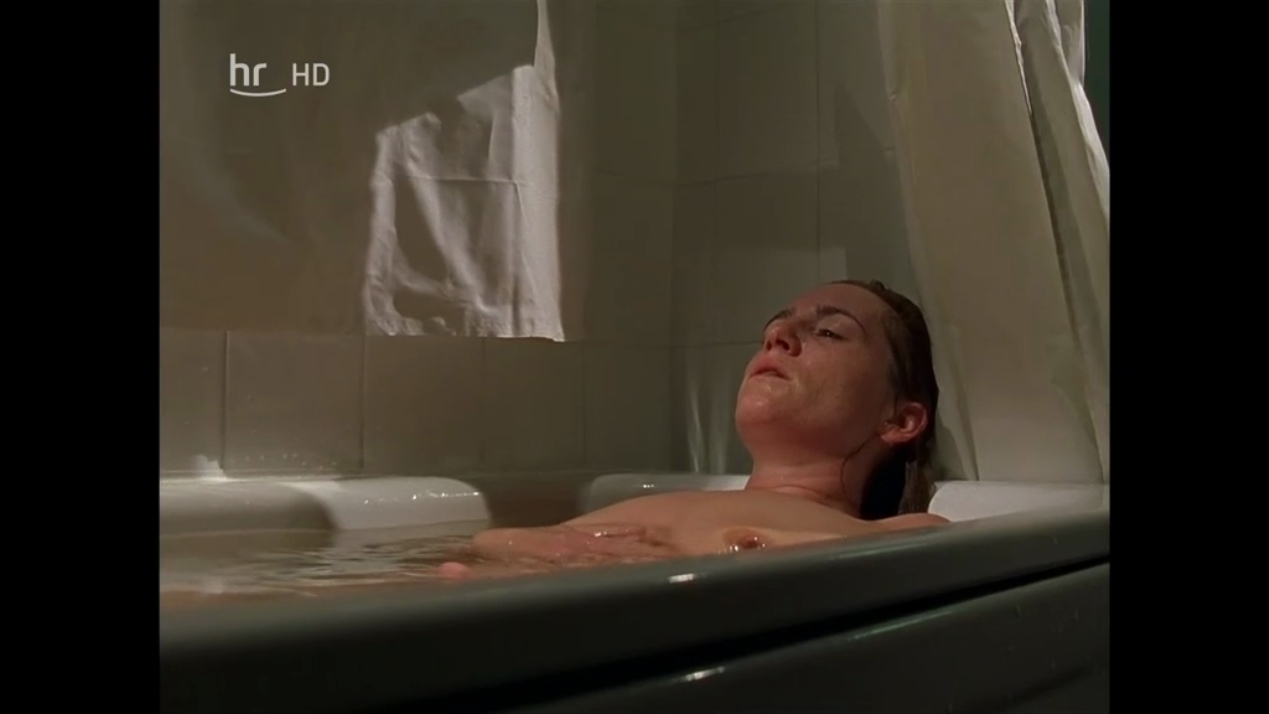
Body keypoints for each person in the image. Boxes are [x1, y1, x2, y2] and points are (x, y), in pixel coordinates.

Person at [439, 280, 950, 579]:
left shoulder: (904, 533)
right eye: (775, 327)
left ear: (900, 420)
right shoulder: (669, 502)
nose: (777, 336)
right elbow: (486, 546)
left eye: (829, 332)